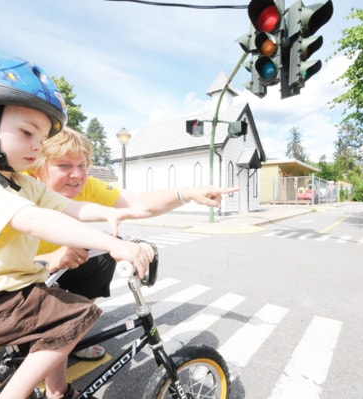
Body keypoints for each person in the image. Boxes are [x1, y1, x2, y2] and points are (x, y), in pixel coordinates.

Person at [0, 53, 154, 399]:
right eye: (28, 132)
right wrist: (114, 245)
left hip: (0, 292)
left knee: (57, 310)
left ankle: (58, 392)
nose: (36, 146)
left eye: (41, 138)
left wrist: (109, 214)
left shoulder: (17, 181)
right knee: (74, 315)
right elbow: (36, 219)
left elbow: (67, 206)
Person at [28, 127, 238, 360]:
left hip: (57, 267)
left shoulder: (85, 185)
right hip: (16, 273)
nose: (77, 175)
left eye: (82, 165)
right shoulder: (20, 187)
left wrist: (187, 193)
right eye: (64, 166)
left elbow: (138, 203)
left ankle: (71, 336)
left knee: (103, 257)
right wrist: (46, 260)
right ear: (39, 166)